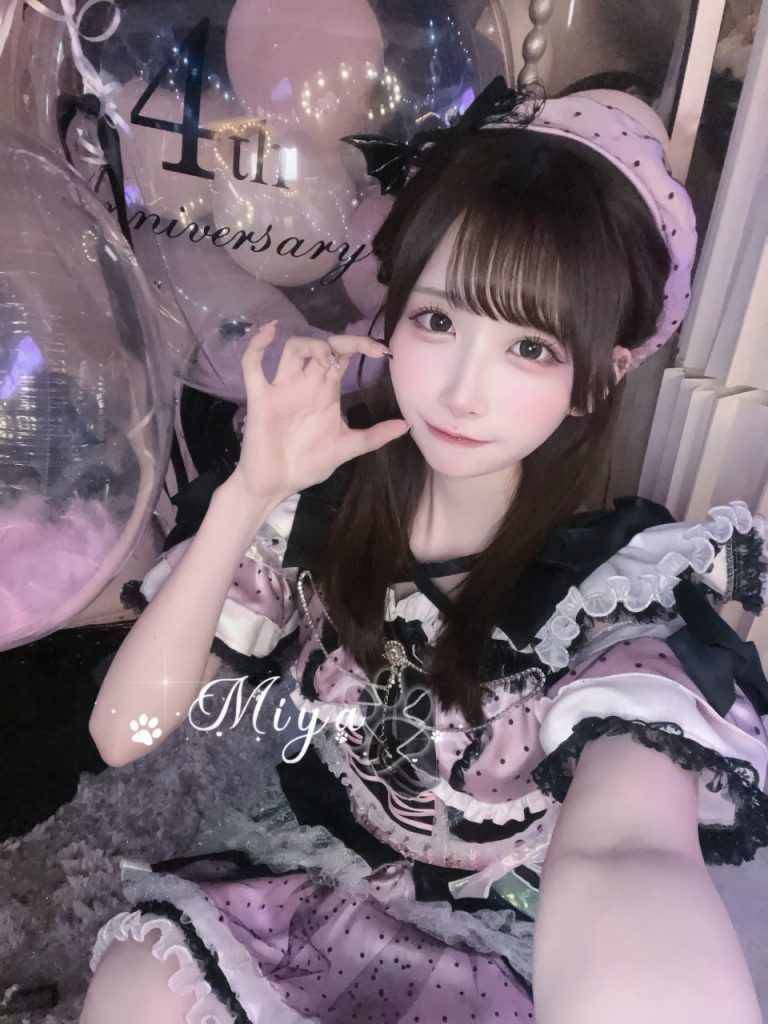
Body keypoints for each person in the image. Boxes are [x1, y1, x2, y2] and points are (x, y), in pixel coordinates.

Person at [80, 80, 768, 1024]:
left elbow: (628, 848)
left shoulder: (613, 599)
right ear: (393, 312)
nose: (461, 391)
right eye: (438, 321)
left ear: (597, 382)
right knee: (138, 985)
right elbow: (124, 734)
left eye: (530, 348)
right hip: (319, 881)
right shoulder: (321, 509)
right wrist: (251, 492)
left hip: (498, 937)